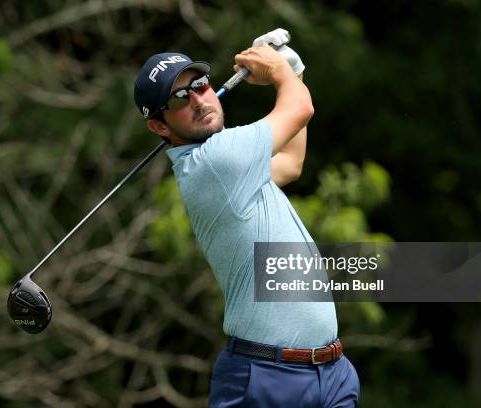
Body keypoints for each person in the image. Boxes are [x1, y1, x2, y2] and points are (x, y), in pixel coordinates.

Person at [134, 29, 360, 407]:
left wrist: (292, 70)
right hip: (266, 379)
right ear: (159, 126)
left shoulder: (229, 166)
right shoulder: (216, 162)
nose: (198, 99)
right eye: (179, 97)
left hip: (331, 372)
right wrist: (279, 73)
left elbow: (290, 163)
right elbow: (300, 109)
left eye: (200, 84)